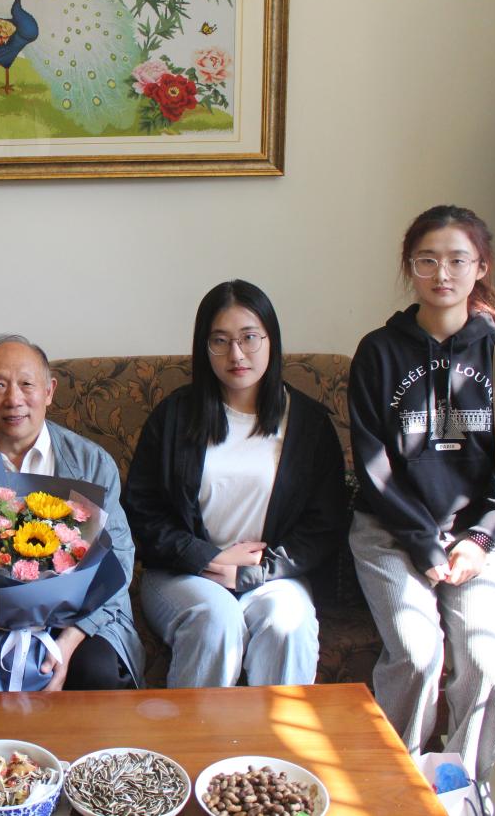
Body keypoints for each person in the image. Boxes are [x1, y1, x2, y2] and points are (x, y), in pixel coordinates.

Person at [349, 205, 495, 807]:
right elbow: (373, 465)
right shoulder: (379, 351)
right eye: (427, 260)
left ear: (480, 267)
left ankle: (460, 788)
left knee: (487, 663)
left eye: (458, 260)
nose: (443, 273)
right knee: (416, 654)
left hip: (478, 540)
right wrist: (423, 544)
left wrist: (479, 539)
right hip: (390, 532)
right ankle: (396, 782)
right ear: (409, 267)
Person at [122, 280, 347, 688]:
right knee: (216, 620)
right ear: (203, 347)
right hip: (182, 575)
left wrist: (255, 573)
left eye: (249, 338)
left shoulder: (309, 424)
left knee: (289, 625)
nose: (236, 354)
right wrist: (208, 557)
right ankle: (197, 733)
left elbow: (324, 524)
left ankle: (277, 731)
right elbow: (142, 511)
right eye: (220, 341)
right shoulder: (174, 416)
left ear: (271, 340)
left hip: (275, 576)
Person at [0, 334, 144, 691]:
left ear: (49, 391)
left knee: (96, 673)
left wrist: (69, 642)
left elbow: (118, 558)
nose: (14, 399)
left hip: (79, 618)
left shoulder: (91, 462)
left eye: (27, 384)